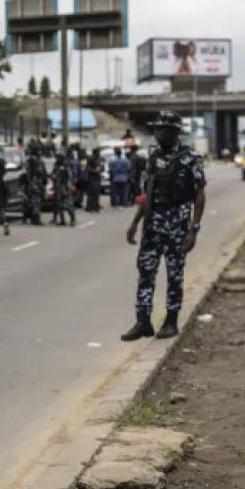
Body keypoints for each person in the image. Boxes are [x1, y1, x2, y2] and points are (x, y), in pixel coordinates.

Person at [122, 111, 206, 342]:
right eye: (157, 129)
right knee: (145, 271)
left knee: (174, 274)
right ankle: (143, 321)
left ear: (175, 132)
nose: (158, 133)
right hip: (152, 223)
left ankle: (171, 321)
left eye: (163, 129)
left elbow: (199, 195)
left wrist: (193, 229)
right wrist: (135, 224)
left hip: (177, 223)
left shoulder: (190, 158)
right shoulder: (152, 158)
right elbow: (147, 194)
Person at [22, 143, 47, 226]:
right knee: (36, 201)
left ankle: (30, 217)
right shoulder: (34, 160)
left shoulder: (31, 159)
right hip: (35, 182)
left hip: (33, 182)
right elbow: (39, 171)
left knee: (32, 201)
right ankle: (36, 218)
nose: (40, 152)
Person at [49, 153, 76, 227]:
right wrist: (52, 177)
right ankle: (62, 220)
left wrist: (69, 187)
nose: (57, 159)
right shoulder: (56, 165)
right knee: (59, 205)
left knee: (68, 205)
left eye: (58, 158)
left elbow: (70, 176)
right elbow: (52, 174)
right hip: (58, 187)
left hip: (65, 187)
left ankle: (72, 219)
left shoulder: (66, 165)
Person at [84, 147, 103, 213]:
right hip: (91, 178)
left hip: (97, 178)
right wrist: (95, 170)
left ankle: (96, 207)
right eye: (98, 152)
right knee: (91, 194)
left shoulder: (99, 159)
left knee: (96, 193)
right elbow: (87, 168)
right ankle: (89, 207)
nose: (99, 153)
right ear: (95, 152)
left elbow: (101, 167)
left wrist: (100, 169)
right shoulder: (90, 158)